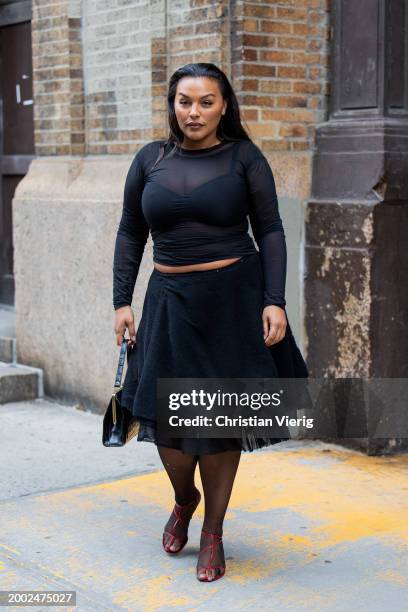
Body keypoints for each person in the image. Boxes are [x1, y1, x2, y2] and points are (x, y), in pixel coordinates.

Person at [112, 62, 308, 582]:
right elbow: (131, 232)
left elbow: (270, 231)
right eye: (184, 101)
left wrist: (274, 299)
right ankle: (184, 499)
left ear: (224, 106)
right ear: (172, 105)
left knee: (219, 426)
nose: (193, 111)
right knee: (170, 428)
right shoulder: (150, 159)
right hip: (169, 302)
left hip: (233, 302)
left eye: (205, 102)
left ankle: (214, 531)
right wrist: (121, 301)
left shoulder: (244, 157)